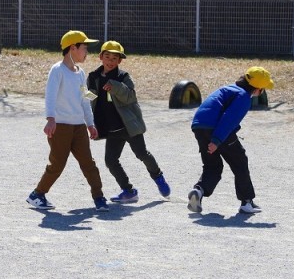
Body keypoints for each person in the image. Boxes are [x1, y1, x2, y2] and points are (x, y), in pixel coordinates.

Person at [27, 30, 109, 212]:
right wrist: (50, 119)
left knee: (89, 164)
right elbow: (50, 95)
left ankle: (99, 197)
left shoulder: (80, 73)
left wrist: (90, 123)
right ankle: (37, 194)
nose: (86, 52)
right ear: (73, 48)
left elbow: (85, 99)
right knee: (57, 164)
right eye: (84, 48)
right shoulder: (57, 70)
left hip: (79, 127)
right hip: (61, 127)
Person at [87, 41, 170, 203]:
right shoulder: (93, 76)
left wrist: (116, 87)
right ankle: (128, 191)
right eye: (107, 57)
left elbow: (130, 97)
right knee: (110, 161)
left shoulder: (123, 77)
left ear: (120, 61)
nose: (110, 61)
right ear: (100, 57)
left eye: (114, 58)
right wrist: (81, 92)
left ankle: (158, 177)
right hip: (111, 128)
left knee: (142, 154)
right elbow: (91, 97)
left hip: (128, 125)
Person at [187, 66, 275, 214]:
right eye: (263, 89)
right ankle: (247, 202)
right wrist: (216, 141)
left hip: (199, 126)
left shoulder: (229, 88)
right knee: (239, 160)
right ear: (257, 89)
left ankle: (199, 191)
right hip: (217, 128)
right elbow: (229, 119)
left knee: (212, 165)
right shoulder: (243, 97)